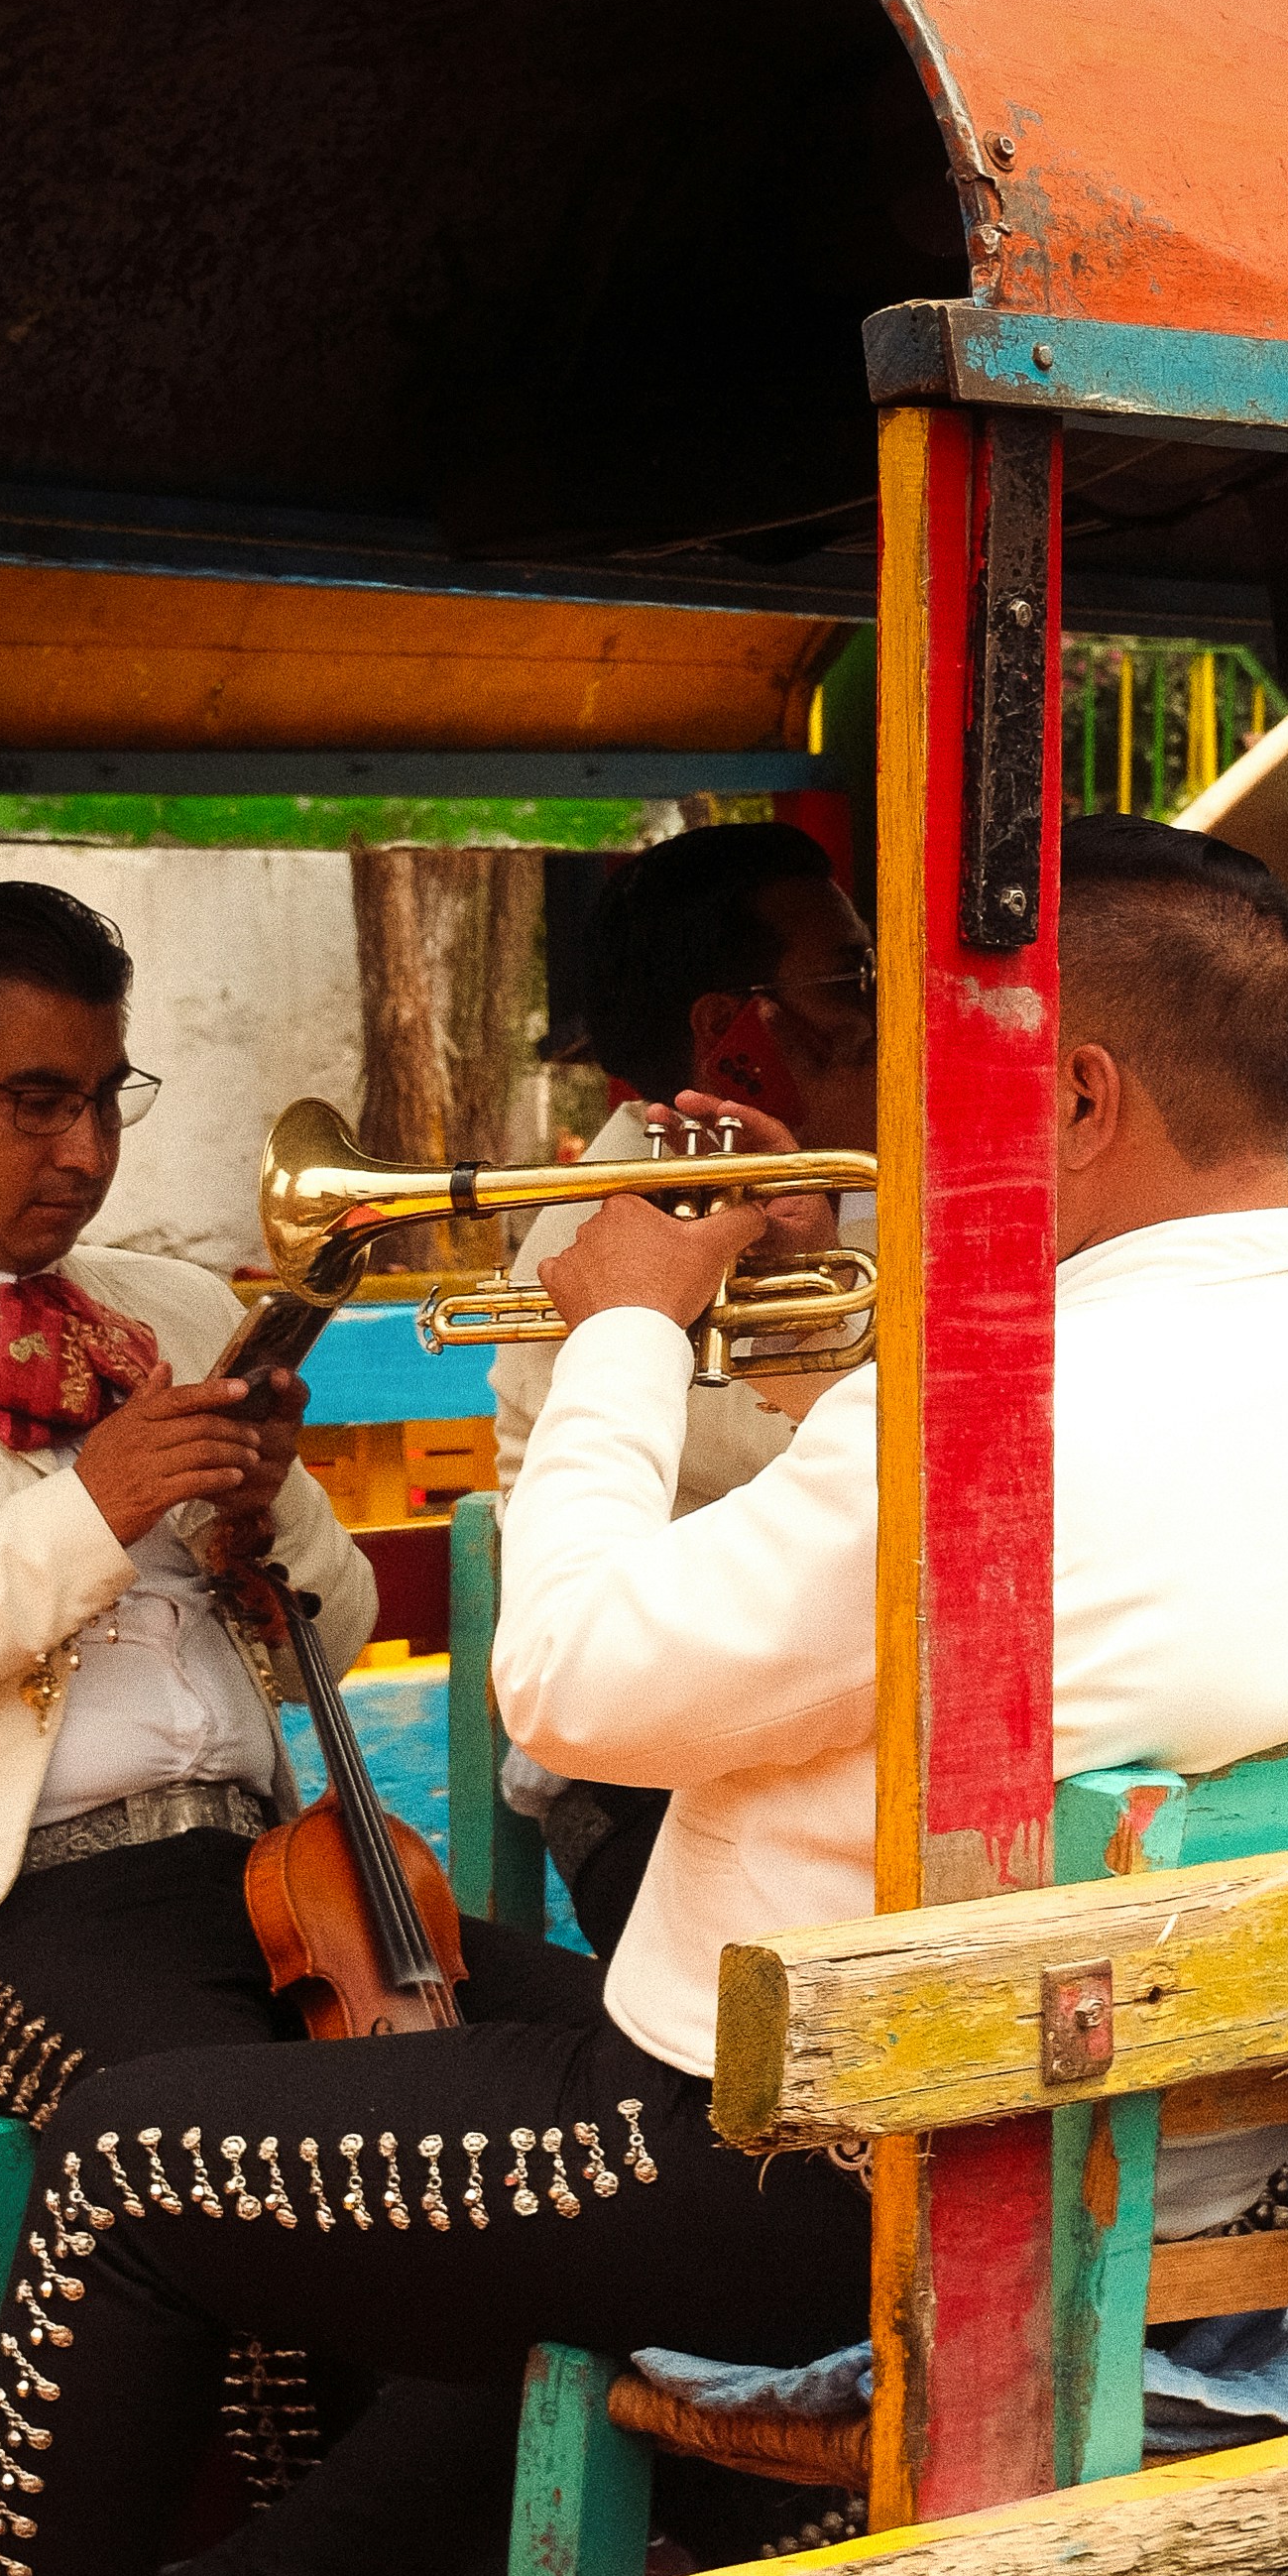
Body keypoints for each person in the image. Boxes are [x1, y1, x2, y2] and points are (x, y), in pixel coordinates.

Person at [0, 818, 1288, 2576]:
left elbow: (572, 1689)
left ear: (1078, 1094)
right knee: (427, 2101)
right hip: (1194, 2144)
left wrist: (623, 1342)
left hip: (812, 2167)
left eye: (947, 1089)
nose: (908, 1138)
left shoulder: (985, 1406)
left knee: (114, 2173)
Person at [0, 878, 579, 2132]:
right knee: (332, 2154)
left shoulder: (171, 1307)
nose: (84, 1152)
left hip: (280, 1891)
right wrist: (91, 1512)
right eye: (36, 1102)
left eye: (105, 1100)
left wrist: (273, 1507)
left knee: (639, 2068)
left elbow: (326, 1649)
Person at [493, 822, 879, 1952]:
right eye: (848, 980)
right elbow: (842, 1477)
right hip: (639, 1757)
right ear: (732, 1031)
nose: (881, 1012)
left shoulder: (798, 1194)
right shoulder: (629, 1224)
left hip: (769, 1700)